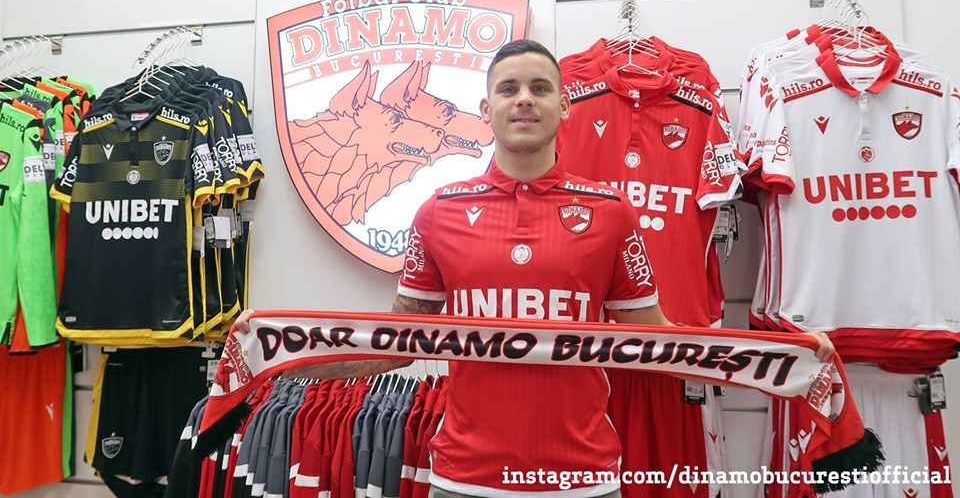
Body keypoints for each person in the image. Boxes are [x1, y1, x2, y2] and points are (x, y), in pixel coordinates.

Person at [234, 39, 835, 498]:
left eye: (540, 88)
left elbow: (661, 343)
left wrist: (792, 358)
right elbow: (395, 344)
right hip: (463, 478)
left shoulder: (610, 213)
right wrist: (277, 350)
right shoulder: (438, 212)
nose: (524, 99)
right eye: (509, 88)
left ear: (563, 106)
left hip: (583, 478)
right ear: (486, 108)